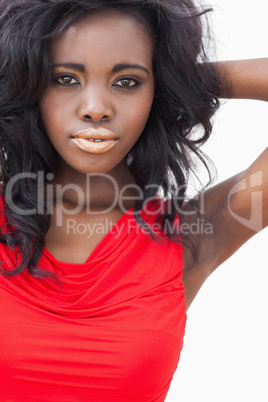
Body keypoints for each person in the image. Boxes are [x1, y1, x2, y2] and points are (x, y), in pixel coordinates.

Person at [0, 0, 266, 401]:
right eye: (65, 79)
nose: (95, 109)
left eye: (127, 82)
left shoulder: (196, 234)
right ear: (32, 84)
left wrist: (180, 78)